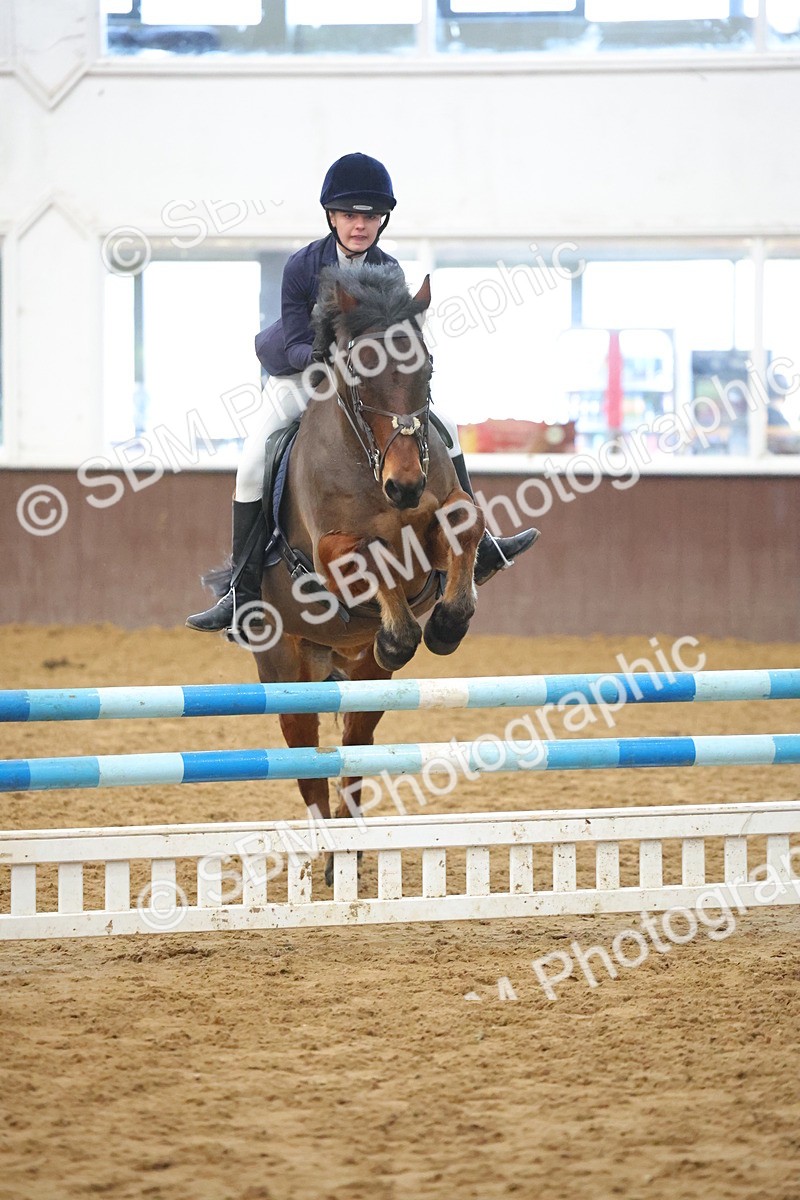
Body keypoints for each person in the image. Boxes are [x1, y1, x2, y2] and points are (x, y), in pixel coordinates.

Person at [187, 152, 538, 635]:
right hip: (302, 372)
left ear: (382, 220)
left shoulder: (388, 269)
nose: (359, 225)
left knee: (447, 425)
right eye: (350, 215)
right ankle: (241, 592)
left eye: (369, 216)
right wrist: (332, 367)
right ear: (331, 216)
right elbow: (293, 339)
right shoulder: (302, 265)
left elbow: (396, 337)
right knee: (252, 461)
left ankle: (481, 548)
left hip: (369, 381)